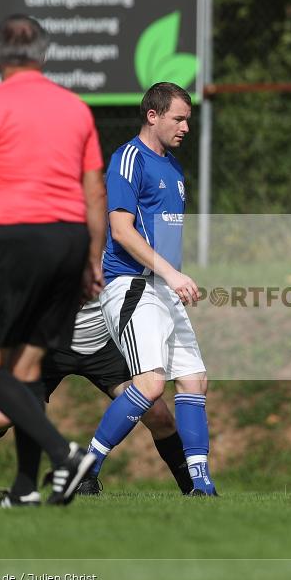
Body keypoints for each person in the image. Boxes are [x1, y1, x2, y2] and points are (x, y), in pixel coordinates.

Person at [0, 14, 106, 506]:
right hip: (70, 241)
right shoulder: (75, 107)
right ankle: (26, 489)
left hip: (16, 241)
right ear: (43, 54)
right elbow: (95, 190)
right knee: (27, 369)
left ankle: (65, 455)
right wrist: (92, 258)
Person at [90, 82, 218, 496]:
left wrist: (174, 278)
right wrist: (172, 275)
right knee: (150, 385)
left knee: (194, 380)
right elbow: (122, 231)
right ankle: (83, 468)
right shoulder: (128, 158)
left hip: (163, 286)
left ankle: (201, 485)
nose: (185, 127)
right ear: (152, 115)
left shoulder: (174, 167)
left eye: (188, 120)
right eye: (178, 119)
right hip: (132, 285)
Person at [0, 299, 195, 501]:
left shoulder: (116, 251)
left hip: (104, 346)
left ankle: (193, 489)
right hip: (50, 348)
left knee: (159, 416)